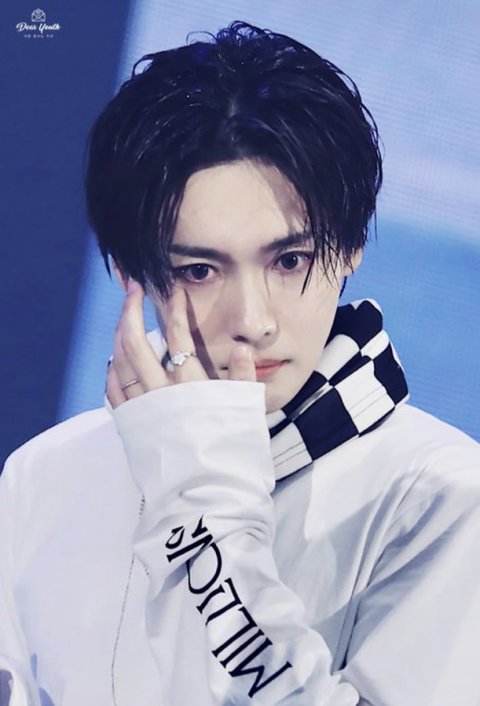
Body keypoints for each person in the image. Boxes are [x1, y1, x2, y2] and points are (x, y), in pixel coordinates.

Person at [1, 20, 479, 706]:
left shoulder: (444, 497)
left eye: (290, 260)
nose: (253, 320)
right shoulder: (43, 478)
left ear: (351, 245)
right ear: (133, 273)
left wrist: (198, 497)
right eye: (200, 270)